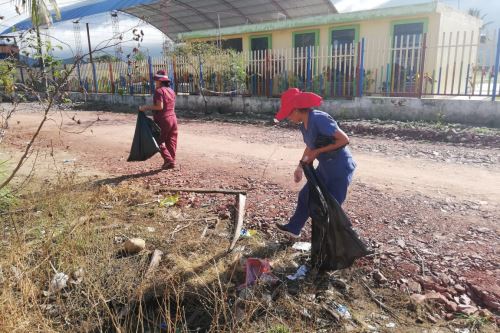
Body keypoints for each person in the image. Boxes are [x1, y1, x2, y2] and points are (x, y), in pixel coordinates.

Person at [274, 88, 356, 238]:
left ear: (298, 110)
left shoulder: (319, 119)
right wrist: (300, 166)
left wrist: (317, 152)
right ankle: (294, 228)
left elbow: (344, 140)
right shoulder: (304, 125)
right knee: (305, 195)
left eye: (289, 114)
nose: (289, 118)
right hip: (325, 168)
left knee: (331, 208)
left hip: (339, 168)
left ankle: (334, 245)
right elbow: (310, 146)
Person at [139, 70, 178, 169]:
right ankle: (171, 162)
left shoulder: (159, 91)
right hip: (173, 118)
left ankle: (169, 159)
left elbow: (160, 107)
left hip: (163, 119)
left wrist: (145, 107)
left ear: (160, 81)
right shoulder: (171, 91)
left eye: (156, 81)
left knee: (157, 140)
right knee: (171, 141)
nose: (155, 83)